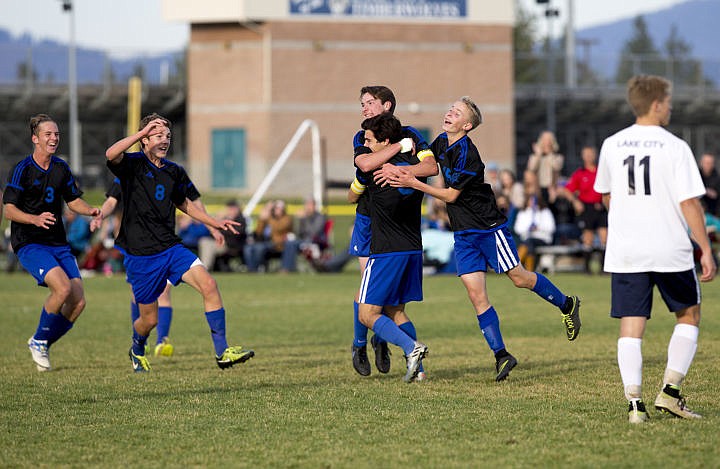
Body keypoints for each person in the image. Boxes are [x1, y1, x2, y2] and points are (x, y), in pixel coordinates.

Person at [388, 97, 581, 382]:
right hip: (463, 233)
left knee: (519, 277)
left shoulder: (468, 152)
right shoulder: (442, 142)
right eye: (450, 107)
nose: (449, 111)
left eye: (457, 112)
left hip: (488, 228)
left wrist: (413, 183)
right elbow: (425, 156)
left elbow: (452, 195)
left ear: (466, 125)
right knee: (476, 295)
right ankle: (502, 355)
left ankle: (567, 304)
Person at [593, 75, 716, 424]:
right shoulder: (675, 147)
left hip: (626, 250)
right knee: (689, 315)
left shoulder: (612, 144)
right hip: (669, 247)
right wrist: (705, 249)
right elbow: (690, 203)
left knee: (631, 326)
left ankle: (635, 407)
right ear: (657, 104)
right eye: (669, 100)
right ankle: (670, 393)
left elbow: (606, 195)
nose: (671, 106)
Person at [102, 112, 254, 372]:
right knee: (148, 320)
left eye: (168, 136)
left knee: (209, 284)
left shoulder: (174, 171)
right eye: (158, 135)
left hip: (170, 248)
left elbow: (184, 203)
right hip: (141, 255)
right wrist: (140, 133)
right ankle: (137, 346)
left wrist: (212, 222)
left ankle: (222, 352)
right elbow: (110, 154)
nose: (165, 140)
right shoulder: (132, 164)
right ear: (145, 139)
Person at [347, 85, 437, 378]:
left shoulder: (408, 134)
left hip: (388, 232)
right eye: (362, 104)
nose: (364, 109)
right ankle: (361, 345)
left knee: (372, 303)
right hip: (370, 220)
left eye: (369, 103)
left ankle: (389, 340)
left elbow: (431, 166)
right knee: (378, 296)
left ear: (387, 105)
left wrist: (402, 173)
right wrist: (400, 152)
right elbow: (365, 163)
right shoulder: (363, 135)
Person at [3, 114, 101, 371]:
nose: (54, 138)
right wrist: (34, 219)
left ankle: (40, 341)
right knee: (62, 289)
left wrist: (90, 210)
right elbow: (8, 210)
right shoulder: (22, 169)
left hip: (58, 242)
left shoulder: (61, 168)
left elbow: (73, 200)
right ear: (35, 139)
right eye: (48, 134)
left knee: (78, 301)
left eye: (56, 134)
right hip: (29, 242)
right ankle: (39, 340)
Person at [562, 145, 608, 272]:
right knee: (588, 238)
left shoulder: (601, 171)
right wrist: (575, 201)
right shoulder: (579, 173)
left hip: (601, 207)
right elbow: (567, 190)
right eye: (586, 154)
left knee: (605, 237)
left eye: (590, 154)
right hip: (587, 208)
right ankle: (587, 268)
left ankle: (603, 269)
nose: (588, 157)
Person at [244, 199, 299, 273]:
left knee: (259, 249)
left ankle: (258, 268)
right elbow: (258, 232)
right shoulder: (269, 218)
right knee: (248, 248)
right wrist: (261, 219)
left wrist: (269, 217)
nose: (276, 210)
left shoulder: (287, 218)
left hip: (279, 244)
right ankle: (252, 270)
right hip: (267, 243)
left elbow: (279, 227)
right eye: (275, 208)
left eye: (278, 208)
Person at [198, 199, 247, 272]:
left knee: (207, 244)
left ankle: (204, 270)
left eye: (233, 208)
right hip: (219, 243)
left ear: (238, 209)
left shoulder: (241, 220)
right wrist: (217, 219)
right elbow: (210, 232)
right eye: (230, 208)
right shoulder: (223, 219)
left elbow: (236, 234)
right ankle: (204, 269)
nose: (231, 210)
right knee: (204, 241)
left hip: (231, 246)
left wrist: (223, 227)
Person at [514, 194, 556, 271]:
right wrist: (528, 228)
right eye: (530, 200)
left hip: (542, 239)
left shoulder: (545, 212)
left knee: (529, 242)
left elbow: (551, 228)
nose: (532, 203)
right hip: (527, 239)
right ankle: (526, 268)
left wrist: (538, 228)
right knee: (529, 242)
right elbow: (517, 229)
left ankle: (518, 266)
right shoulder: (523, 212)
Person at [526, 130, 564, 204]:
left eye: (549, 140)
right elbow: (531, 168)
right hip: (537, 189)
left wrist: (549, 153)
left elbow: (557, 166)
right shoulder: (534, 156)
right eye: (544, 139)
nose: (546, 142)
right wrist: (538, 155)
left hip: (552, 189)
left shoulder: (557, 156)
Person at [296, 196, 328, 261]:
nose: (308, 207)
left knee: (293, 244)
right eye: (307, 204)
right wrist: (298, 220)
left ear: (314, 205)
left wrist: (305, 218)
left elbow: (314, 232)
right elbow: (299, 233)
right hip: (303, 241)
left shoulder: (320, 217)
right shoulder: (304, 217)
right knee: (290, 243)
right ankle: (288, 267)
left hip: (316, 241)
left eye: (310, 204)